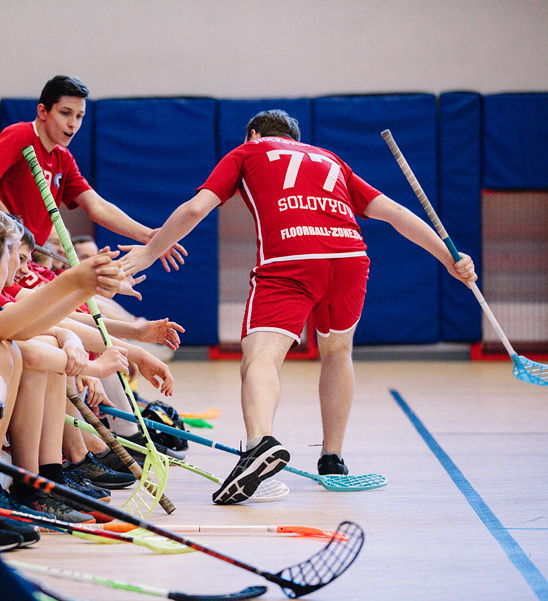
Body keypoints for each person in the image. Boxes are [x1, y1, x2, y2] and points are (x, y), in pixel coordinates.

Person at [119, 109, 478, 505]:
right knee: (338, 352)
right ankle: (333, 459)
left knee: (261, 360)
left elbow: (193, 209)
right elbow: (394, 212)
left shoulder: (247, 152)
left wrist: (150, 253)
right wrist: (449, 258)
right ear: (295, 137)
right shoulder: (329, 159)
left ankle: (259, 445)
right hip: (349, 258)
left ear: (253, 133)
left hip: (290, 259)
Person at [0, 74, 185, 272]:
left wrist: (148, 236)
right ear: (42, 111)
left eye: (79, 116)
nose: (73, 124)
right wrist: (9, 224)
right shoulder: (22, 134)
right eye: (65, 113)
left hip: (24, 259)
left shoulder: (63, 158)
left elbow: (97, 207)